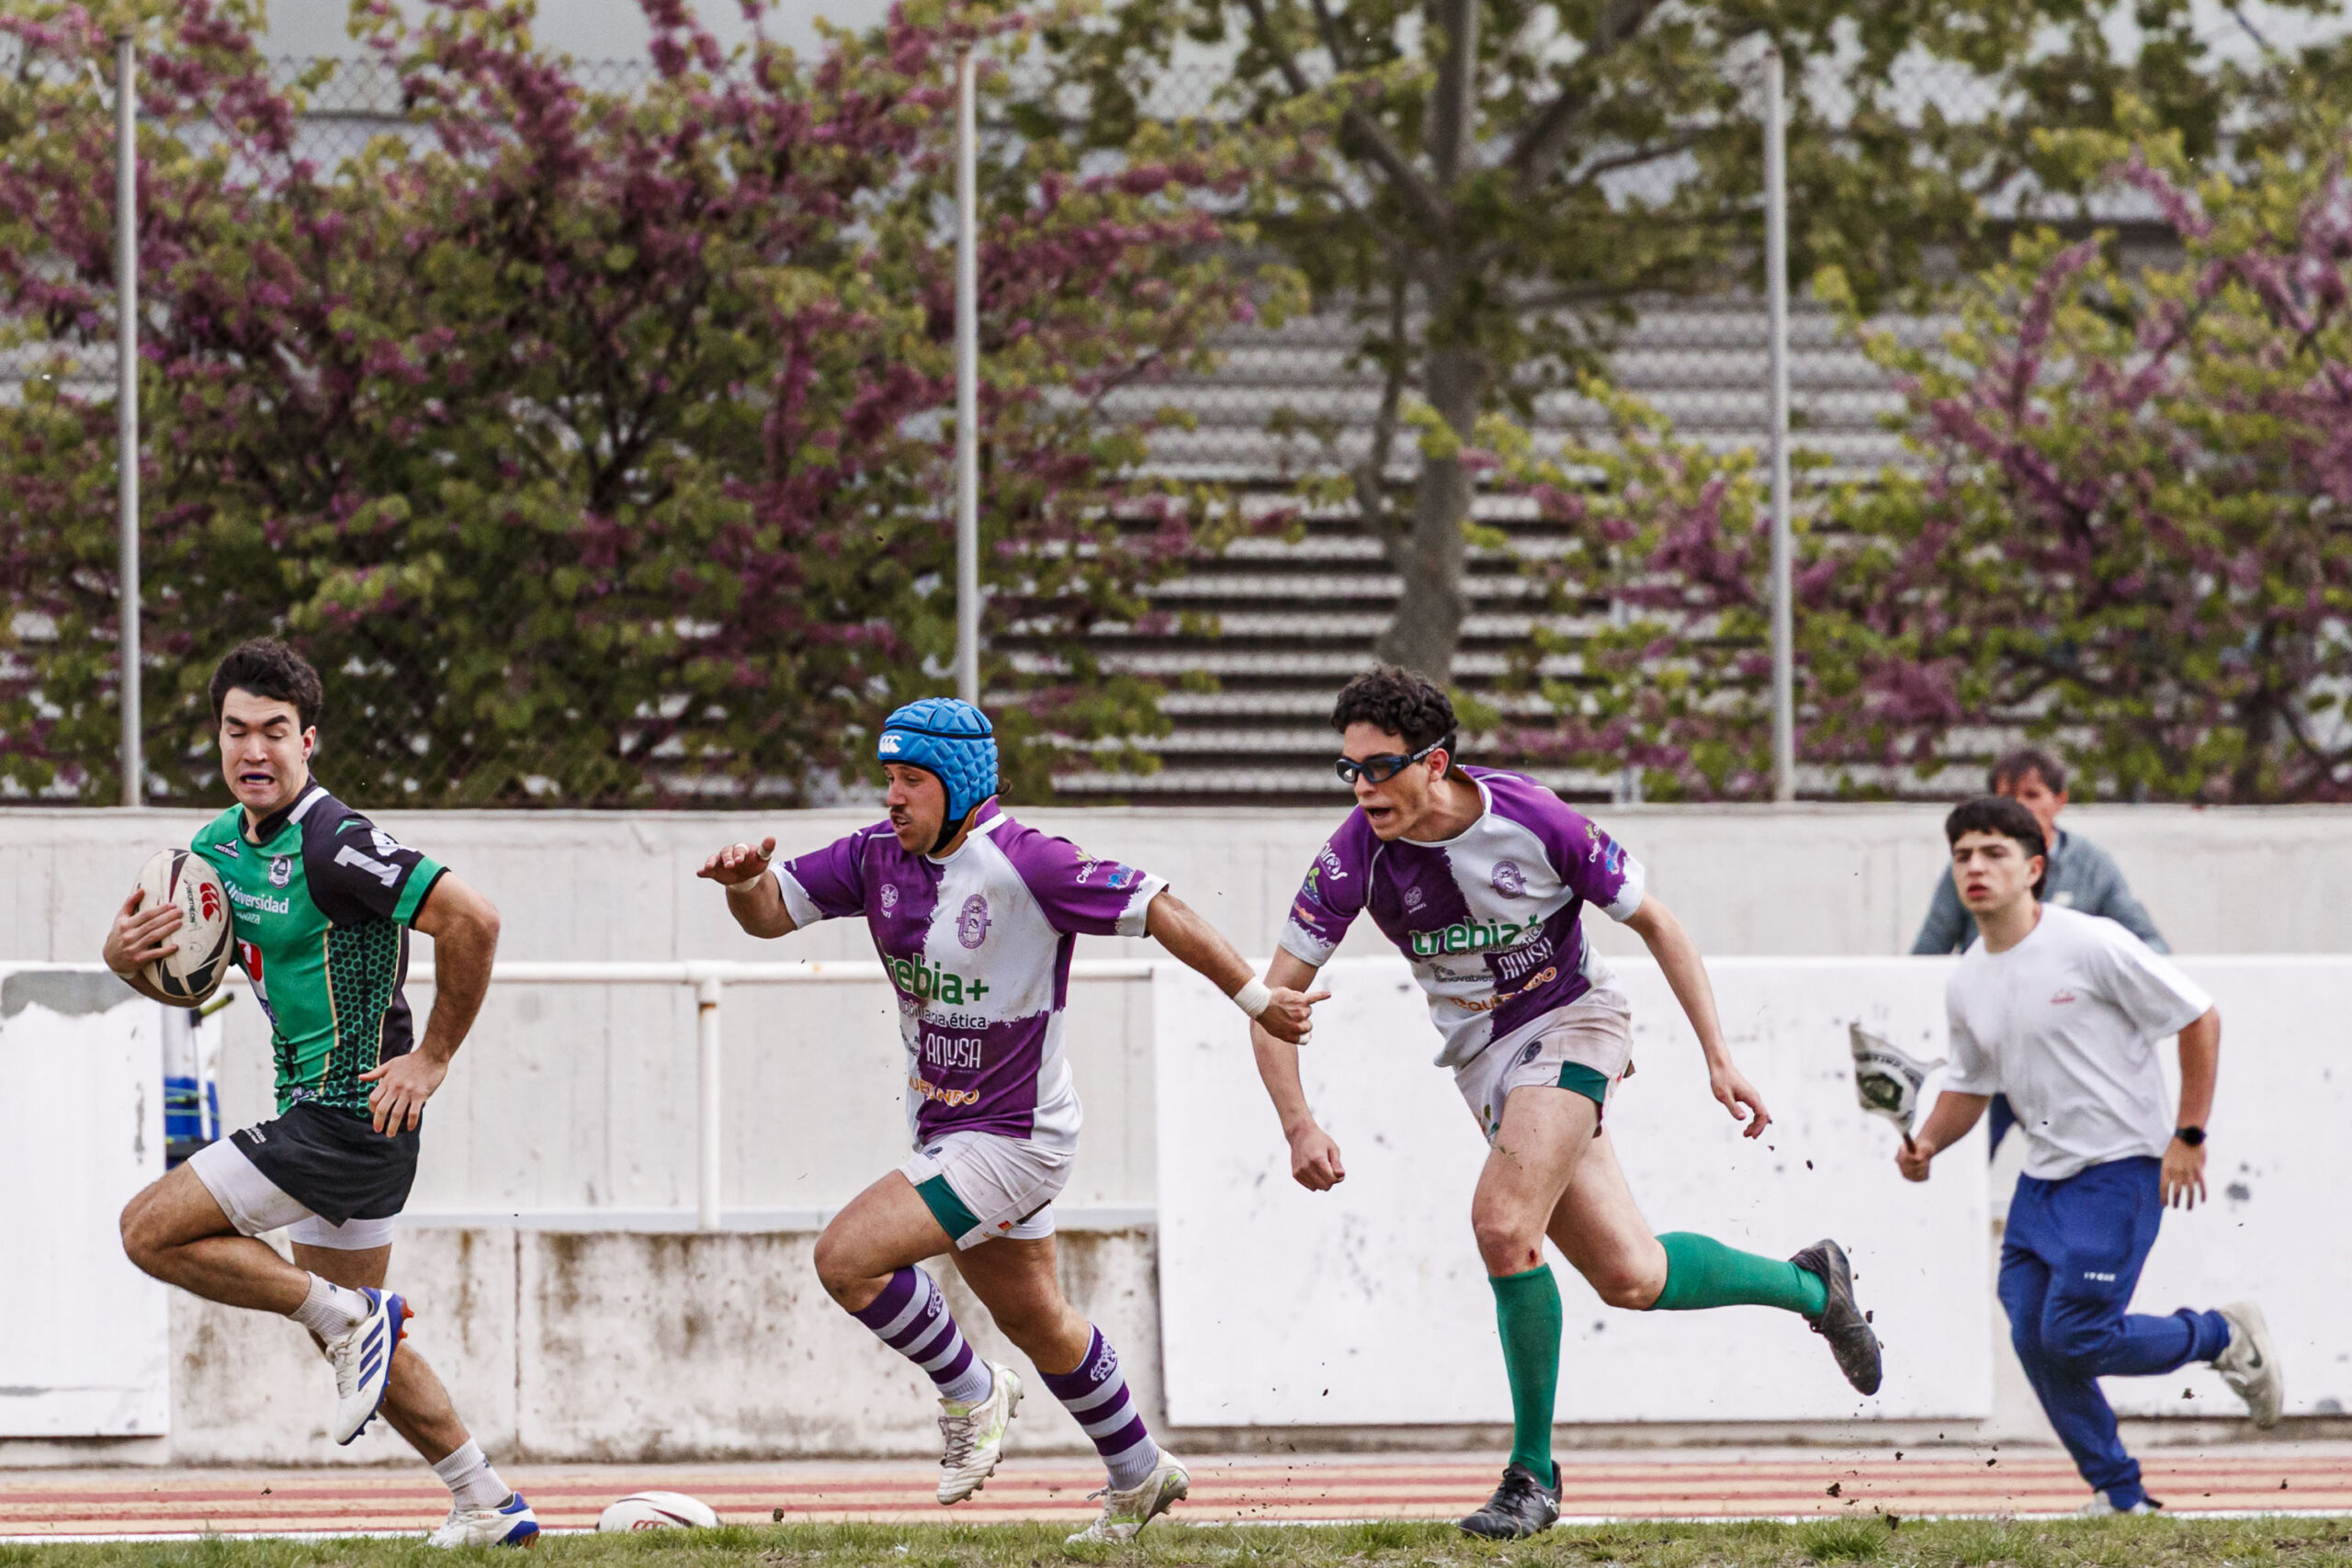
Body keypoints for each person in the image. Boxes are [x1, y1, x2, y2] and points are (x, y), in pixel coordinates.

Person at [1248, 668, 1883, 1541]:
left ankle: (1532, 1476)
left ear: (1435, 763)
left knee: (1503, 1224)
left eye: (1380, 766)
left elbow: (1656, 922)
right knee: (1632, 1274)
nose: (1361, 788)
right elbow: (1269, 1000)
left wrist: (1718, 1058)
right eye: (1347, 769)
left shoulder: (1535, 819)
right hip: (1484, 1064)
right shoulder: (1353, 854)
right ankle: (1815, 1286)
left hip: (1576, 1023)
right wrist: (1298, 1121)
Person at [701, 697, 1321, 1545]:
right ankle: (1139, 1469)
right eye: (888, 777)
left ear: (957, 785)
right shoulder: (877, 855)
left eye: (911, 780)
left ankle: (971, 1391)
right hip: (948, 1130)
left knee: (845, 1260)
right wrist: (743, 883)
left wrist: (1258, 998)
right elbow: (773, 913)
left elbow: (1162, 907)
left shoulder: (1030, 862)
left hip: (1016, 1136)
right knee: (1038, 1319)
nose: (893, 797)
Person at [102, 639, 536, 1548]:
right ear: (217, 739)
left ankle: (351, 1321)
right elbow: (197, 983)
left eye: (272, 732)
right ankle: (487, 1501)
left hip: (351, 1114)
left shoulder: (336, 843)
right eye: (234, 731)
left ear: (310, 740)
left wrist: (436, 1058)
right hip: (331, 1118)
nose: (252, 751)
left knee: (148, 1230)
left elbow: (475, 918)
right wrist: (127, 964)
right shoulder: (217, 847)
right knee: (349, 1336)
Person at [1897, 795, 2282, 1515]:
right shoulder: (1967, 976)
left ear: (2034, 867)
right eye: (1962, 855)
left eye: (1993, 853)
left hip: (2120, 1169)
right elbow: (1972, 1085)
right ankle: (2121, 1495)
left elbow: (2200, 1015)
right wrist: (1926, 1142)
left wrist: (2189, 1133)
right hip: (2042, 1182)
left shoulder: (2091, 943)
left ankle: (2222, 1334)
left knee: (2074, 1335)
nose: (1975, 867)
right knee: (2034, 1336)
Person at [1913, 749, 2168, 1156]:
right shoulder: (1970, 868)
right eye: (2008, 796)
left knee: (2083, 1165)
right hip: (1994, 1044)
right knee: (1964, 1161)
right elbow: (1927, 953)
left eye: (2032, 795)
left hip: (2066, 1053)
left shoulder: (2092, 865)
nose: (2020, 806)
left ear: (2060, 801)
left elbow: (2151, 946)